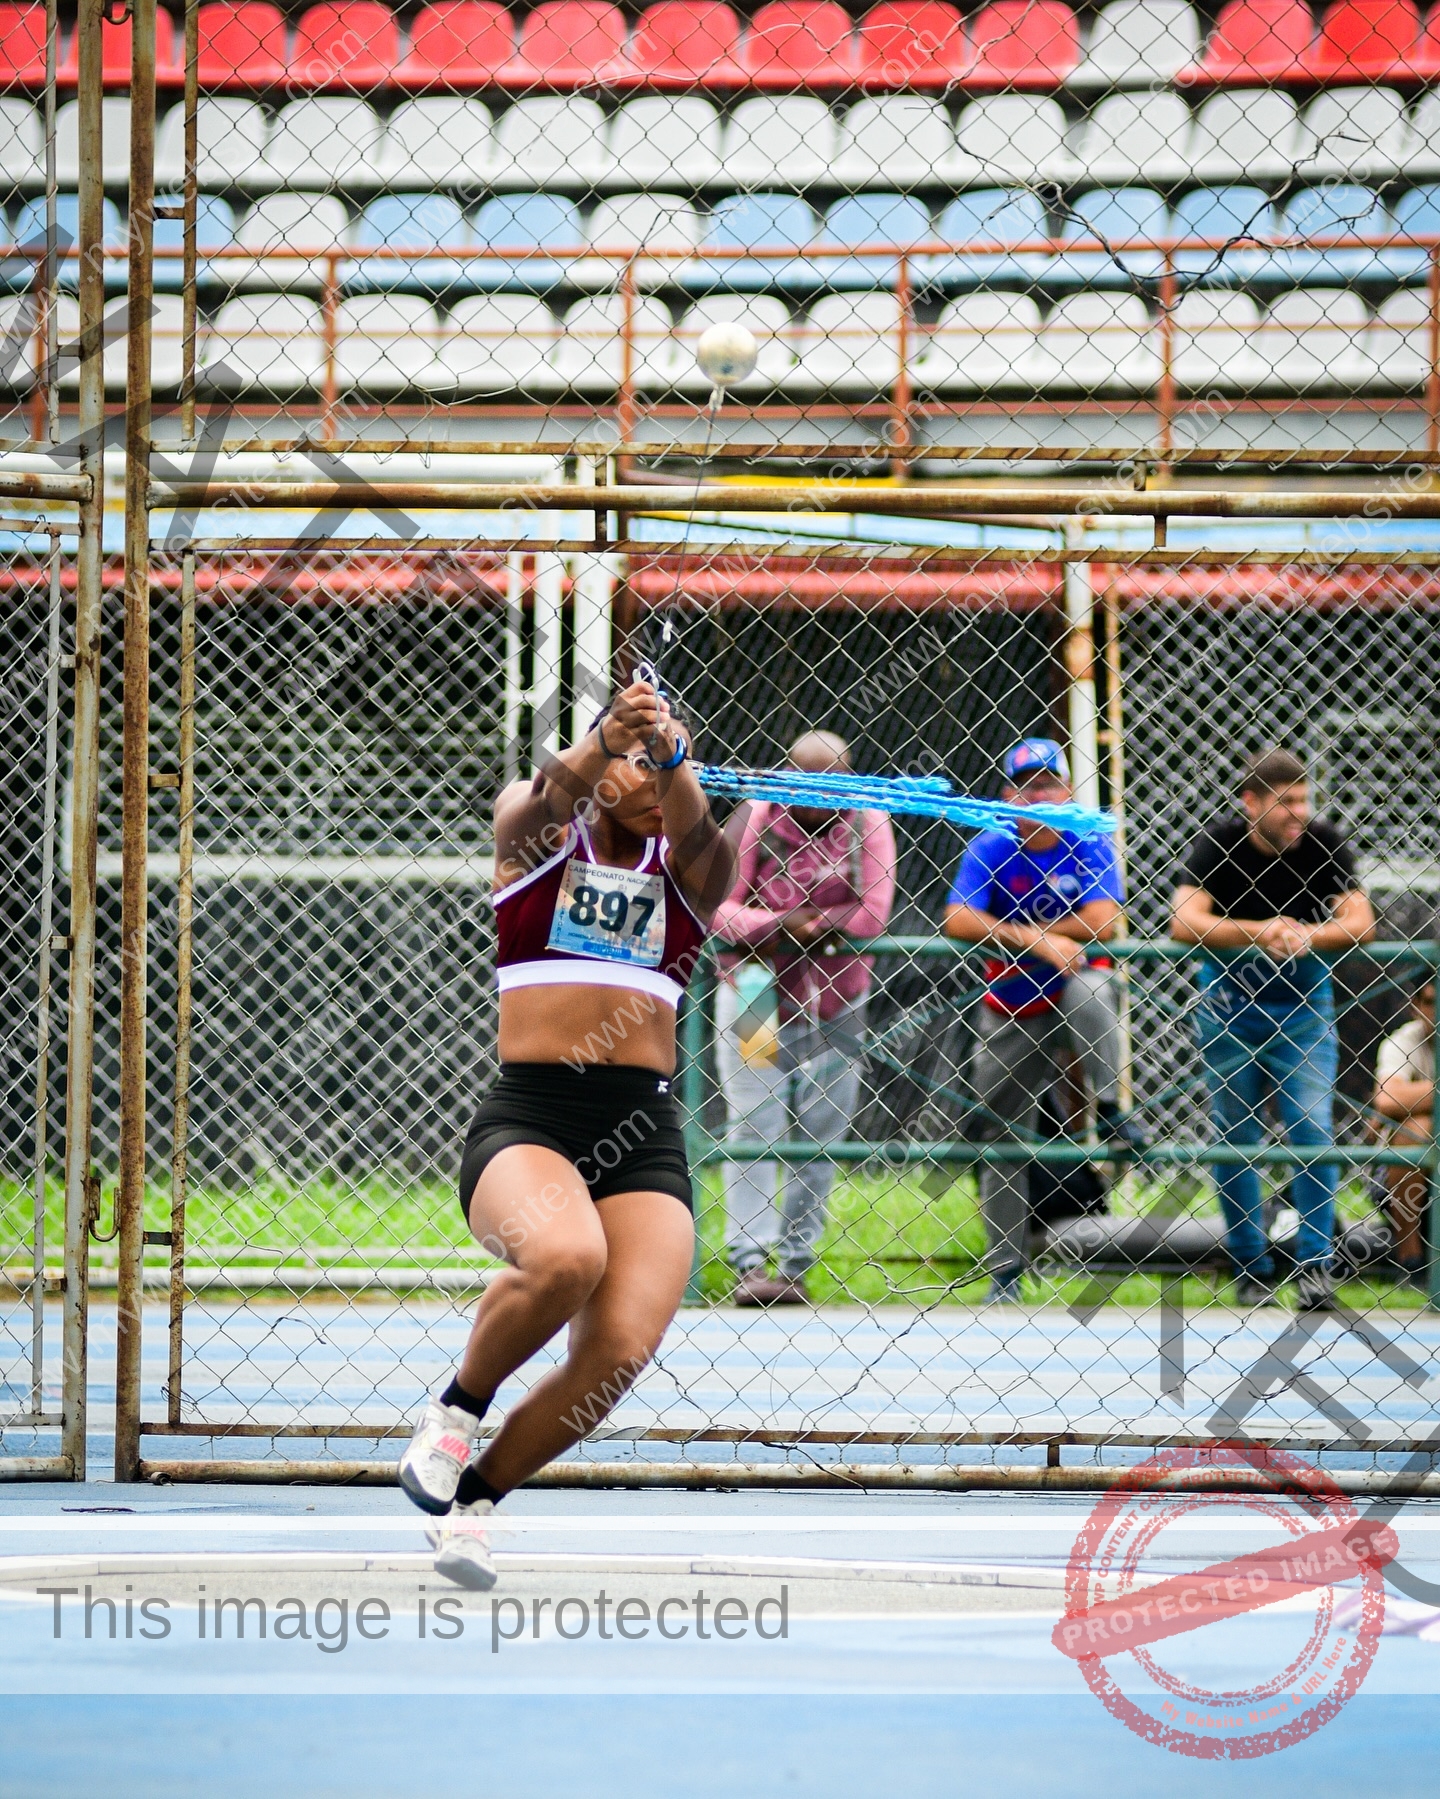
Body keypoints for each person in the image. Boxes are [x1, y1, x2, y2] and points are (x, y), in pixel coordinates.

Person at [396, 678, 736, 1587]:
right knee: (564, 1258)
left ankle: (473, 1503)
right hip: (533, 1116)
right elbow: (533, 804)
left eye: (669, 758)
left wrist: (666, 754)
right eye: (630, 754)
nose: (652, 769)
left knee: (619, 1351)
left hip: (642, 1127)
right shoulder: (543, 841)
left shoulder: (688, 870)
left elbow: (710, 845)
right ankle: (457, 1409)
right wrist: (605, 738)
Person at [1171, 747, 1375, 1312]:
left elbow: (1360, 920)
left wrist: (1308, 937)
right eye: (1286, 802)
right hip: (1229, 1008)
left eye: (1304, 800)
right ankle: (1250, 1266)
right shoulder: (1220, 843)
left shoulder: (1324, 842)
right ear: (1251, 803)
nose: (1298, 813)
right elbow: (1184, 918)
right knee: (1235, 1138)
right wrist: (1259, 932)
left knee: (1312, 1130)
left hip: (1304, 1008)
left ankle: (1315, 1268)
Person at [943, 737, 1143, 1304]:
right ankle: (1006, 1271)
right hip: (1012, 1002)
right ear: (1009, 795)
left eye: (1050, 785)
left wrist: (1054, 943)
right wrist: (1036, 940)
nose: (1041, 797)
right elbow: (957, 917)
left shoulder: (1088, 837)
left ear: (1068, 790)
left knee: (1091, 985)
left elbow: (1105, 920)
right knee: (999, 1131)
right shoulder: (993, 841)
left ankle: (1107, 1110)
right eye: (1029, 788)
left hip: (1077, 991)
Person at [712, 730, 896, 1305]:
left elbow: (873, 913)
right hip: (756, 990)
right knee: (756, 1122)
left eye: (832, 783)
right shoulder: (756, 815)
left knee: (822, 1131)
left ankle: (794, 1263)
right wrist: (777, 929)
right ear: (787, 775)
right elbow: (718, 906)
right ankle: (749, 1262)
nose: (818, 796)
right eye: (806, 782)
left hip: (838, 997)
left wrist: (805, 924)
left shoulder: (868, 817)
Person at [1372, 975, 1434, 1282]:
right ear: (1416, 1007)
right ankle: (1410, 1261)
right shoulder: (1403, 1041)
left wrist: (1418, 1096)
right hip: (1404, 1177)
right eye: (1432, 1003)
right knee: (1416, 1127)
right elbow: (1387, 1100)